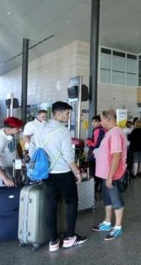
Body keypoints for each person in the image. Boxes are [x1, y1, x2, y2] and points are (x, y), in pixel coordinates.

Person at [29, 101, 87, 252]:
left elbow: (32, 149)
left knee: (50, 206)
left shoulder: (40, 129)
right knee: (72, 201)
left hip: (47, 174)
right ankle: (69, 237)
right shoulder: (63, 131)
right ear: (58, 113)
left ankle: (53, 242)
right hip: (63, 173)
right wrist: (77, 172)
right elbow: (68, 157)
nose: (69, 116)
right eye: (67, 113)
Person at [91, 109, 127, 241]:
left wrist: (110, 176)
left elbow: (117, 156)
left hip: (112, 174)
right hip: (105, 173)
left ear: (108, 119)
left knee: (115, 199)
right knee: (107, 199)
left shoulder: (116, 133)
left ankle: (117, 227)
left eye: (101, 119)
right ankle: (107, 222)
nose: (100, 122)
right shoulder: (110, 133)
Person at [0, 117, 23, 191]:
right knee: (2, 192)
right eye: (17, 128)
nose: (20, 130)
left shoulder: (13, 134)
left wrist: (21, 159)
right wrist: (5, 178)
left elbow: (16, 147)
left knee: (14, 190)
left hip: (12, 166)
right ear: (8, 128)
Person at [85, 115, 106, 192]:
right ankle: (99, 186)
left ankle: (97, 187)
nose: (93, 123)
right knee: (98, 172)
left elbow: (96, 144)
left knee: (95, 172)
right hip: (101, 155)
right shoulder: (103, 129)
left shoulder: (98, 130)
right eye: (92, 121)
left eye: (95, 121)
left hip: (95, 155)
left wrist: (88, 142)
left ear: (99, 122)